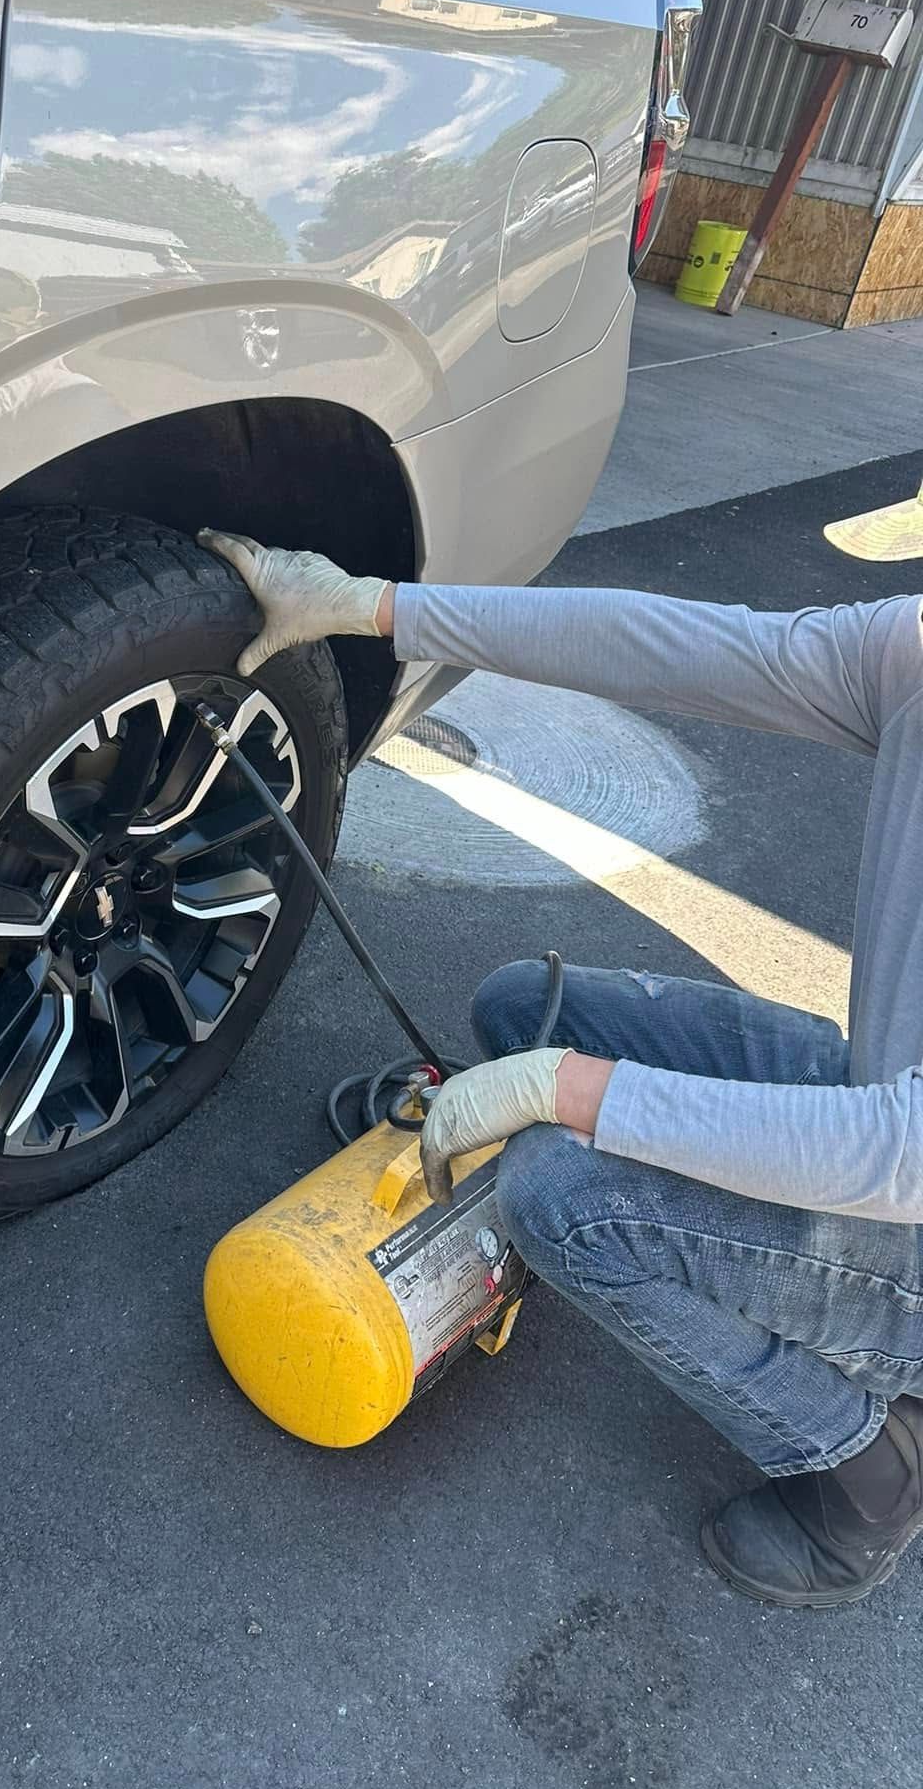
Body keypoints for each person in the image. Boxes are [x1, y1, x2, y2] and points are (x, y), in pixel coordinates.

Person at [198, 527, 923, 1610]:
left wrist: (565, 1091)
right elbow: (666, 646)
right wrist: (373, 606)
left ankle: (864, 1468)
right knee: (522, 1006)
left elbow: (900, 1155)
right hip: (889, 1098)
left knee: (564, 1196)